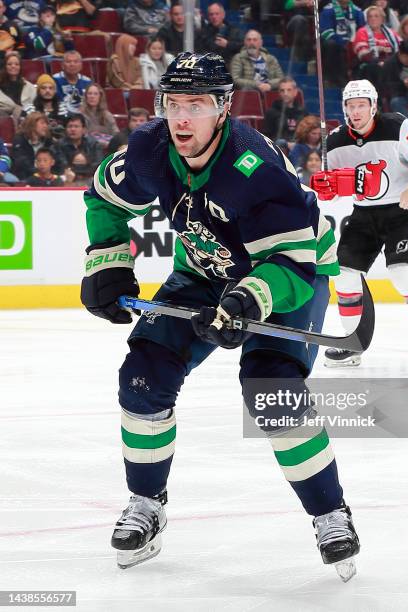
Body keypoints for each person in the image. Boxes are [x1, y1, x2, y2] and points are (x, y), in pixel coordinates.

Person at [80, 51, 360, 576]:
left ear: (224, 108)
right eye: (173, 103)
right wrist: (109, 262)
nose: (181, 118)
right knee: (142, 376)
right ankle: (147, 504)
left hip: (291, 271)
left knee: (271, 389)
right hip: (205, 269)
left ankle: (330, 512)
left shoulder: (255, 168)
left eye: (196, 104)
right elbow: (105, 197)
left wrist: (245, 301)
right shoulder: (150, 146)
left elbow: (292, 263)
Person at [310, 79, 408, 369]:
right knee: (343, 273)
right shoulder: (334, 141)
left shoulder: (397, 126)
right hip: (364, 215)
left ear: (373, 106)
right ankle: (351, 342)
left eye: (362, 105)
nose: (356, 111)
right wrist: (328, 187)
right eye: (351, 106)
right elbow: (336, 185)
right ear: (344, 109)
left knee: (402, 273)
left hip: (403, 210)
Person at [319, 0, 366, 88]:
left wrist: (354, 43)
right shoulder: (328, 10)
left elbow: (362, 31)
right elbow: (326, 32)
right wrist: (342, 43)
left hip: (353, 43)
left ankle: (357, 80)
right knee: (331, 45)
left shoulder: (358, 11)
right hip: (335, 44)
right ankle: (332, 78)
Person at [352, 5, 400, 90]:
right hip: (369, 65)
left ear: (382, 19)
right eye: (370, 16)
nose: (373, 18)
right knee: (376, 69)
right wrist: (378, 52)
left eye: (376, 16)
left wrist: (387, 62)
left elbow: (400, 51)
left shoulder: (392, 33)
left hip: (390, 64)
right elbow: (363, 55)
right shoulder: (362, 32)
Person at [11, 111, 63, 179]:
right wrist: (40, 174)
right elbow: (22, 163)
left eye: (46, 124)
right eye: (42, 123)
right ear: (32, 124)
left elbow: (59, 160)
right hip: (24, 177)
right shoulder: (19, 140)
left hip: (47, 177)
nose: (45, 126)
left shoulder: (49, 141)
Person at [23, 73, 69, 140]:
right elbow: (24, 132)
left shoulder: (64, 108)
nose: (47, 91)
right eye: (43, 88)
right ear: (38, 91)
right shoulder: (29, 109)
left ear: (54, 91)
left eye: (51, 88)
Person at [263, 76, 308, 144]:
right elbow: (266, 137)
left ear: (295, 92)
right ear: (279, 93)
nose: (285, 93)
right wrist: (286, 144)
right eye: (282, 90)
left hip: (299, 148)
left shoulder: (303, 112)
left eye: (289, 90)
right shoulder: (271, 112)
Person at [0, 50, 36, 119]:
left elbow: (34, 105)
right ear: (5, 67)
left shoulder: (28, 86)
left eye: (16, 64)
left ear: (20, 67)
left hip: (25, 118)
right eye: (9, 64)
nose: (13, 66)